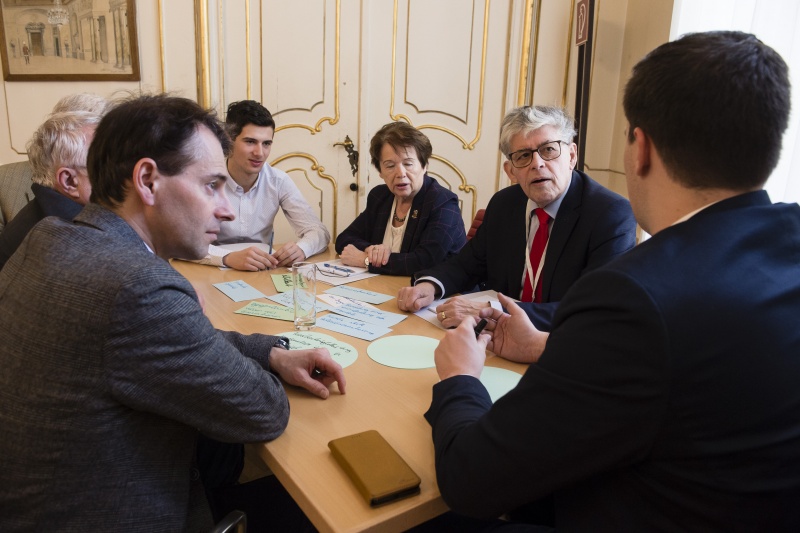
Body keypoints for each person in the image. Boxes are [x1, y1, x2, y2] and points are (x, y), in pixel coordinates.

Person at [426, 31, 800, 531]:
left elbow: (469, 478)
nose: (538, 164)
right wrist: (544, 347)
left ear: (639, 147)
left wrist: (458, 379)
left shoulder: (632, 297)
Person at [0, 94, 346, 531]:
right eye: (210, 185)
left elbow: (158, 339)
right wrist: (260, 372)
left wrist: (270, 352)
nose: (226, 208)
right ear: (146, 180)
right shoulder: (137, 285)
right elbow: (263, 409)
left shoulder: (49, 235)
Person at [397, 105, 636, 341]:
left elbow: (593, 310)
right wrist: (429, 286)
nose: (537, 163)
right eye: (523, 155)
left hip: (563, 345)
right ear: (510, 171)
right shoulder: (504, 204)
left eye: (549, 150)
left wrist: (492, 312)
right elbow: (466, 265)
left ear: (571, 156)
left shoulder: (610, 215)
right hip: (496, 343)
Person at [196, 99, 330, 270]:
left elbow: (319, 232)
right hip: (211, 270)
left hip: (262, 271)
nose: (259, 153)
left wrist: (301, 249)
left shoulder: (278, 180)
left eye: (266, 143)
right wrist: (227, 257)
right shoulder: (204, 179)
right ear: (228, 140)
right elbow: (181, 242)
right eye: (250, 142)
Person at [335, 121, 466, 275]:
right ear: (380, 172)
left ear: (424, 166)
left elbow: (424, 261)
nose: (400, 173)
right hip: (385, 286)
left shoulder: (442, 202)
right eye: (390, 166)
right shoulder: (380, 196)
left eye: (408, 164)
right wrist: (370, 249)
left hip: (441, 295)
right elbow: (344, 239)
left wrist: (365, 260)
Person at [0, 93, 112, 270]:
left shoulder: (50, 209)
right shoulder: (68, 234)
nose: (117, 174)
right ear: (68, 180)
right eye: (103, 166)